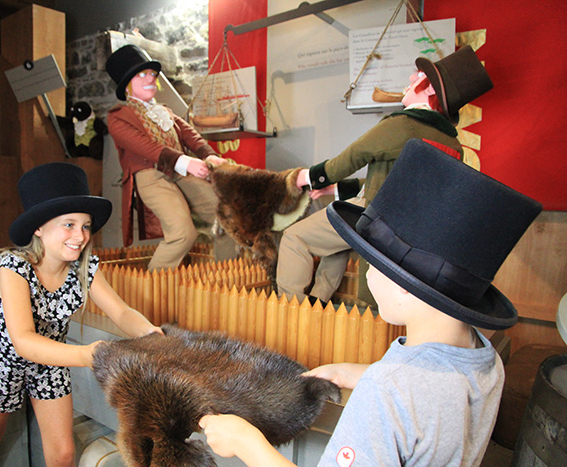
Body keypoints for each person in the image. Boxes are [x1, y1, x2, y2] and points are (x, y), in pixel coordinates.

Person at [200, 138, 543, 466]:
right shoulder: (484, 359)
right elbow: (428, 397)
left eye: (372, 264)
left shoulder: (388, 390)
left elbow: (401, 396)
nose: (365, 275)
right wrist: (365, 373)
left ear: (404, 286)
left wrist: (245, 441)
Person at [0, 162, 161, 467]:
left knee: (63, 454)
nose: (80, 235)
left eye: (85, 225)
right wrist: (89, 354)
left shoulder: (84, 268)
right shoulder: (13, 268)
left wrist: (149, 332)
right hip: (2, 360)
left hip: (52, 360)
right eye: (68, 224)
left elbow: (121, 311)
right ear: (38, 227)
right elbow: (23, 341)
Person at [276, 46, 494, 305]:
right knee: (337, 242)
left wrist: (305, 177)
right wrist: (333, 190)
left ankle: (291, 310)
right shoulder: (451, 143)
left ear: (432, 90)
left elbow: (348, 159)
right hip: (402, 232)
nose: (412, 79)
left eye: (419, 76)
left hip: (372, 220)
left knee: (294, 237)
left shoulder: (401, 125)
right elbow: (395, 184)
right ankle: (319, 307)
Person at [105, 44, 237, 271]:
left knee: (228, 216)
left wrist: (209, 156)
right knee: (182, 233)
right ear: (127, 84)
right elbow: (146, 148)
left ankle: (226, 278)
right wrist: (187, 162)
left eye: (152, 74)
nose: (150, 79)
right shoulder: (118, 117)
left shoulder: (165, 112)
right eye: (141, 74)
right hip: (152, 178)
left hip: (180, 174)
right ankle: (153, 287)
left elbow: (190, 135)